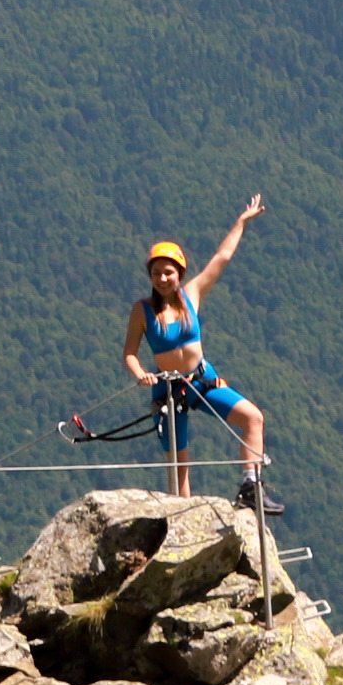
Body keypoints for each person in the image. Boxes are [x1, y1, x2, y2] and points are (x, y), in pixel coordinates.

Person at [123, 195, 275, 505]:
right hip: (167, 391)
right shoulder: (142, 310)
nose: (163, 279)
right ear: (150, 277)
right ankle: (184, 527)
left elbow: (222, 257)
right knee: (180, 468)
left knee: (253, 418)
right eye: (157, 273)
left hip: (202, 379)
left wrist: (240, 223)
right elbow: (129, 351)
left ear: (179, 273)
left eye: (169, 272)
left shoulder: (192, 294)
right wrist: (140, 374)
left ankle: (251, 488)